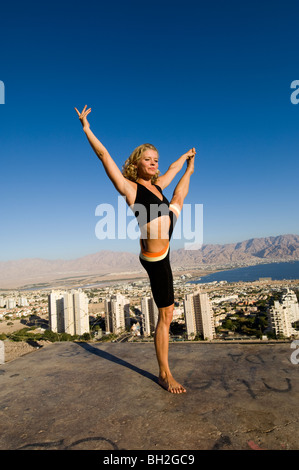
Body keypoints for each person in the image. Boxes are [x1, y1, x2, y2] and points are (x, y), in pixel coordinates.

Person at [75, 105, 196, 394]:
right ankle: (164, 374)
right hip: (156, 257)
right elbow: (104, 156)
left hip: (168, 230)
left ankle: (164, 370)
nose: (154, 163)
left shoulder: (158, 185)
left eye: (156, 159)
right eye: (148, 159)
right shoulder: (130, 188)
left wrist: (187, 161)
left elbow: (171, 171)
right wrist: (87, 128)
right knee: (166, 314)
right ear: (136, 163)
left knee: (178, 195)